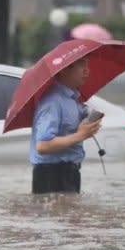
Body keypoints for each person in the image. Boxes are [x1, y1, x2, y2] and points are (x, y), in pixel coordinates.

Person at [30, 57, 102, 194]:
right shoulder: (52, 102)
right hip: (51, 175)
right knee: (56, 215)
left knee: (70, 214)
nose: (87, 70)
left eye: (87, 64)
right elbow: (43, 145)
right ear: (63, 70)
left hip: (70, 172)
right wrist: (80, 135)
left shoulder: (72, 100)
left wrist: (88, 118)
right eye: (81, 64)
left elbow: (77, 121)